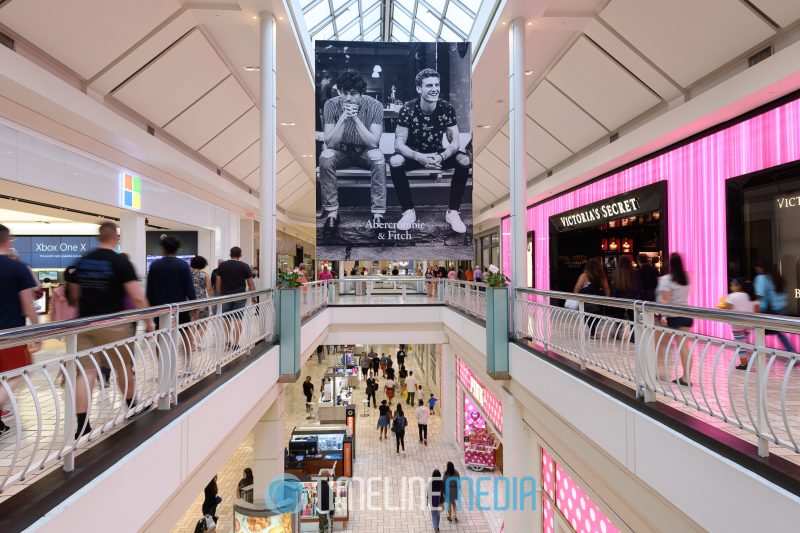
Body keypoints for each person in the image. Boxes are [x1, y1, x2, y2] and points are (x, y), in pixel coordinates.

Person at [72, 221, 151, 439]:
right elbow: (136, 296)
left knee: (86, 373)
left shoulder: (83, 261)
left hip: (84, 323)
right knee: (123, 366)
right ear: (116, 237)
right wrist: (149, 320)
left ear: (99, 237)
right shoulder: (119, 262)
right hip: (113, 323)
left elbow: (75, 295)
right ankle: (132, 405)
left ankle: (81, 425)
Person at [390, 68, 471, 234]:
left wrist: (441, 156)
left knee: (464, 160)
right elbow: (398, 144)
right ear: (419, 89)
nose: (434, 88)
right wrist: (420, 157)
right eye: (429, 85)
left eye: (437, 84)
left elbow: (455, 143)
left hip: (436, 155)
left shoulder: (446, 108)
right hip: (414, 155)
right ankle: (408, 211)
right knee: (395, 161)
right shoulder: (408, 109)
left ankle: (453, 212)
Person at [318, 69, 387, 236]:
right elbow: (330, 142)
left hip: (365, 151)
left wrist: (355, 118)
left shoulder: (375, 106)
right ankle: (333, 214)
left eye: (353, 93)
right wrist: (343, 117)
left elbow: (373, 142)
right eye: (344, 93)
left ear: (362, 93)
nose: (348, 98)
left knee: (379, 158)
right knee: (325, 157)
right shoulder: (331, 104)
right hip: (341, 151)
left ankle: (378, 214)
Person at [0, 224, 41, 434]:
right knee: (19, 373)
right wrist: (37, 330)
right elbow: (27, 303)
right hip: (10, 334)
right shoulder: (17, 268)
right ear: (8, 241)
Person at [146, 235, 196, 343]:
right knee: (185, 332)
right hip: (179, 307)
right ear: (177, 249)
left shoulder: (155, 265)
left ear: (163, 248)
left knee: (161, 336)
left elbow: (149, 290)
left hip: (160, 308)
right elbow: (189, 289)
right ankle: (188, 357)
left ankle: (161, 359)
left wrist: (149, 313)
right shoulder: (183, 265)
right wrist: (194, 307)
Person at [657, 252, 693, 386]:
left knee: (659, 342)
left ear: (670, 264)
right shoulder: (687, 277)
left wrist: (664, 315)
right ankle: (686, 378)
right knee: (684, 347)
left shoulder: (666, 279)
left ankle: (659, 371)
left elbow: (665, 300)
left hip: (672, 316)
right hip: (686, 314)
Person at [215, 246, 256, 349]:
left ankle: (228, 341)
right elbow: (251, 284)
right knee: (238, 320)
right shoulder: (245, 266)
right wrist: (253, 297)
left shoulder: (222, 266)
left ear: (230, 254)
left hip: (225, 296)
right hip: (240, 296)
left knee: (227, 319)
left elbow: (218, 282)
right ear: (240, 255)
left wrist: (219, 295)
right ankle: (236, 344)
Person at [754, 259, 794, 353]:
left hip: (768, 310)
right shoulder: (778, 278)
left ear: (761, 267)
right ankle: (792, 352)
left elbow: (760, 295)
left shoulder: (762, 278)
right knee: (779, 332)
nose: (756, 269)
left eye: (757, 267)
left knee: (759, 331)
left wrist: (756, 306)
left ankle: (759, 353)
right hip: (782, 309)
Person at [720, 277, 759, 370]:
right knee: (746, 342)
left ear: (738, 286)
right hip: (749, 323)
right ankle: (749, 359)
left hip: (737, 324)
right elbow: (757, 309)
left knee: (740, 344)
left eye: (732, 285)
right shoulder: (751, 296)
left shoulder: (732, 296)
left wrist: (721, 303)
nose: (731, 287)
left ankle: (744, 364)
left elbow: (726, 306)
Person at [573, 258, 610, 338]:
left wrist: (576, 297)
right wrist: (608, 298)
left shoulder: (584, 275)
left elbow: (577, 287)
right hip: (599, 301)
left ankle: (593, 331)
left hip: (586, 301)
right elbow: (606, 288)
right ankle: (593, 330)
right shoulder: (602, 276)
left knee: (588, 316)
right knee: (597, 316)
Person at [190, 256, 212, 321]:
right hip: (202, 302)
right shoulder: (205, 275)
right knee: (204, 322)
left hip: (189, 301)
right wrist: (211, 301)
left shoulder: (187, 274)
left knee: (190, 323)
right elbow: (209, 289)